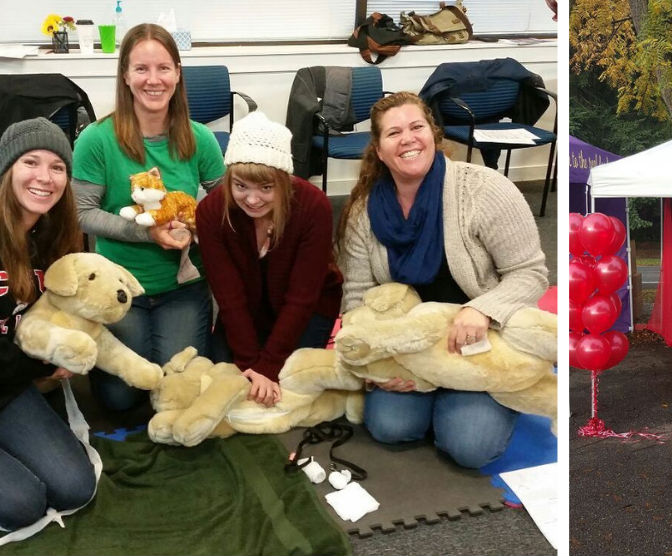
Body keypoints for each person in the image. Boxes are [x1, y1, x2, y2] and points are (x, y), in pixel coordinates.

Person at [336, 92, 548, 469]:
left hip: (483, 341)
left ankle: (468, 401)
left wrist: (483, 309)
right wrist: (374, 363)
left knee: (470, 446)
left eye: (417, 127)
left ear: (434, 135)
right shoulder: (364, 211)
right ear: (379, 150)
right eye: (393, 133)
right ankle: (440, 399)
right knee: (389, 426)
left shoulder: (484, 190)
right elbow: (356, 297)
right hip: (410, 346)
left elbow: (529, 272)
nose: (408, 139)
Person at [71, 24, 226, 411]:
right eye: (141, 69)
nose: (153, 80)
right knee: (120, 399)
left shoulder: (199, 139)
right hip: (119, 289)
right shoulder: (96, 139)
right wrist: (148, 234)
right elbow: (81, 213)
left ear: (177, 73)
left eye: (163, 68)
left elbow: (227, 204)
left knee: (178, 391)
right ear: (125, 75)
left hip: (182, 286)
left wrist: (196, 228)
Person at [196, 112, 342, 407]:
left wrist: (268, 367)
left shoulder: (313, 206)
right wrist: (252, 364)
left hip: (308, 308)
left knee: (293, 382)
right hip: (246, 309)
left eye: (266, 188)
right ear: (229, 179)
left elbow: (302, 297)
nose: (252, 199)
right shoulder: (211, 212)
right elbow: (229, 296)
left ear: (284, 181)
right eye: (240, 186)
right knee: (227, 379)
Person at [0, 118, 96, 532]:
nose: (45, 177)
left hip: (8, 386)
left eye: (58, 167)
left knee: (76, 487)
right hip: (14, 371)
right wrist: (45, 363)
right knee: (21, 504)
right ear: (7, 170)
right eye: (31, 162)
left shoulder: (51, 235)